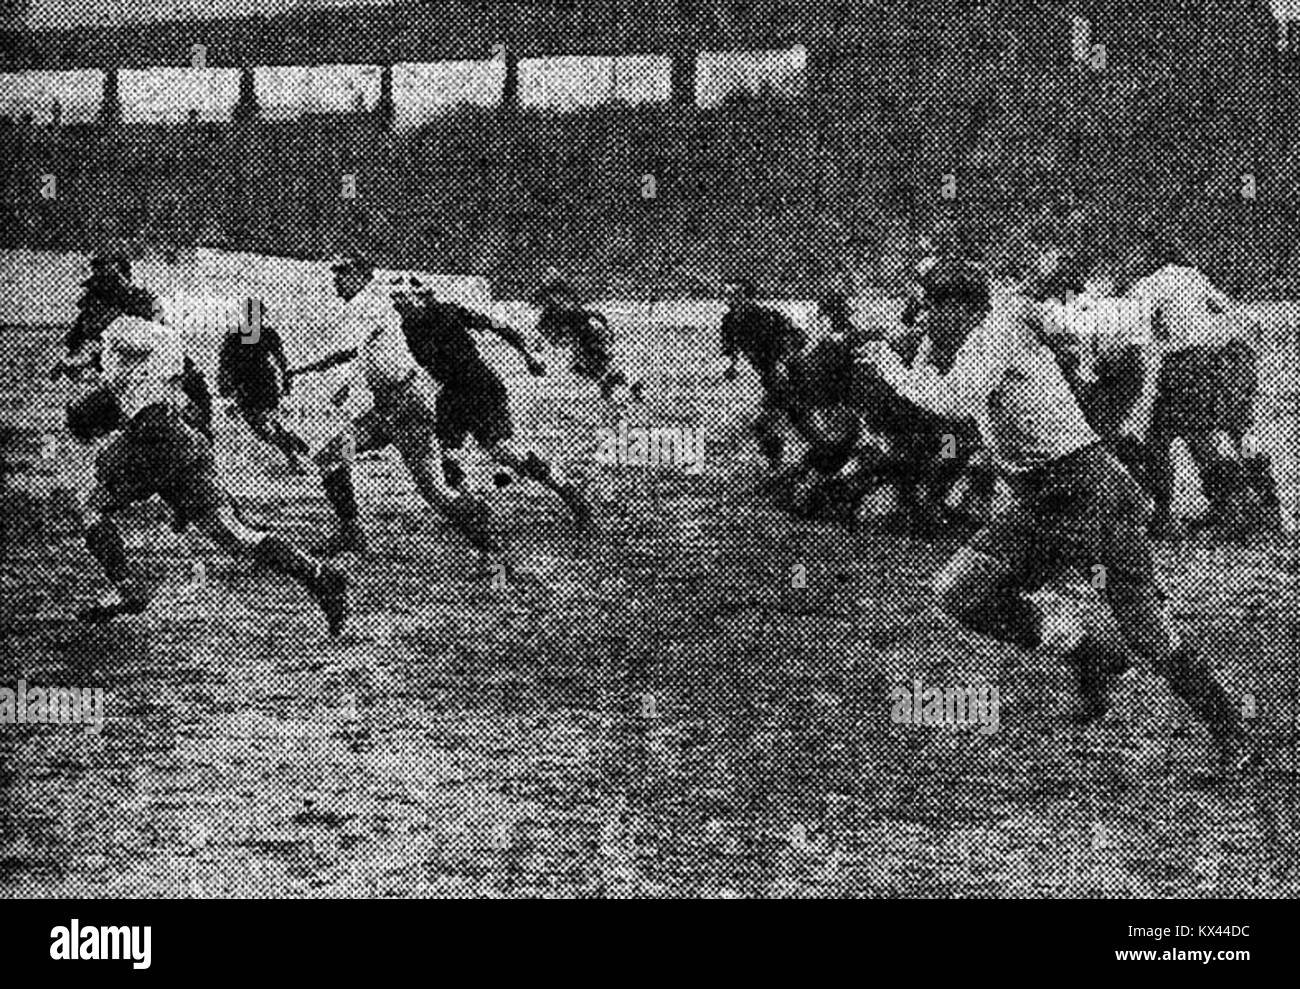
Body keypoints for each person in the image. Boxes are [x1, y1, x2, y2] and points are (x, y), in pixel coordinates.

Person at [856, 259, 1256, 774]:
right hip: (1043, 497)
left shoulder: (995, 333)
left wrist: (889, 366)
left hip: (1087, 489)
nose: (923, 320)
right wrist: (920, 357)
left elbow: (953, 404)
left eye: (932, 310)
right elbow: (941, 390)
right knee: (958, 594)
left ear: (963, 308)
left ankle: (1230, 728)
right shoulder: (973, 336)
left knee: (1142, 626)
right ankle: (1088, 651)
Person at [66, 314, 348, 634]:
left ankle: (127, 586)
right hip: (182, 440)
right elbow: (183, 388)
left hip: (156, 433)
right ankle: (319, 575)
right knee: (235, 537)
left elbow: (164, 345)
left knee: (89, 506)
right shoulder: (126, 365)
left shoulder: (116, 332)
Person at [1126, 241, 1281, 537]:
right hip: (1233, 358)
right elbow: (1240, 317)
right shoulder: (1195, 276)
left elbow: (1130, 327)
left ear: (1148, 255)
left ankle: (1164, 515)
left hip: (1188, 362)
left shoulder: (1153, 282)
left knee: (1160, 438)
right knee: (1237, 433)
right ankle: (1265, 507)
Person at [717, 278, 807, 471]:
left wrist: (783, 362)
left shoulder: (767, 317)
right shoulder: (729, 322)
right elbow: (730, 348)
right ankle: (784, 465)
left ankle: (782, 466)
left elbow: (799, 337)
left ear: (748, 297)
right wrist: (732, 366)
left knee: (770, 422)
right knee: (794, 419)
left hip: (792, 375)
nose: (730, 299)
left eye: (736, 295)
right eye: (728, 295)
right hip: (770, 378)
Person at [216, 300, 312, 473]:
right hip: (255, 386)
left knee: (262, 428)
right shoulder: (244, 335)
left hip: (256, 387)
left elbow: (281, 361)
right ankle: (294, 449)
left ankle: (294, 452)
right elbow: (225, 363)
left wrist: (286, 382)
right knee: (267, 425)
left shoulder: (245, 335)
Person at [530, 268, 642, 402]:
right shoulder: (555, 312)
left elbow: (584, 319)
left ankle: (623, 386)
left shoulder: (563, 311)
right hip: (584, 341)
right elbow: (548, 332)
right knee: (591, 368)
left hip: (587, 340)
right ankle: (620, 386)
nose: (555, 298)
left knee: (593, 366)